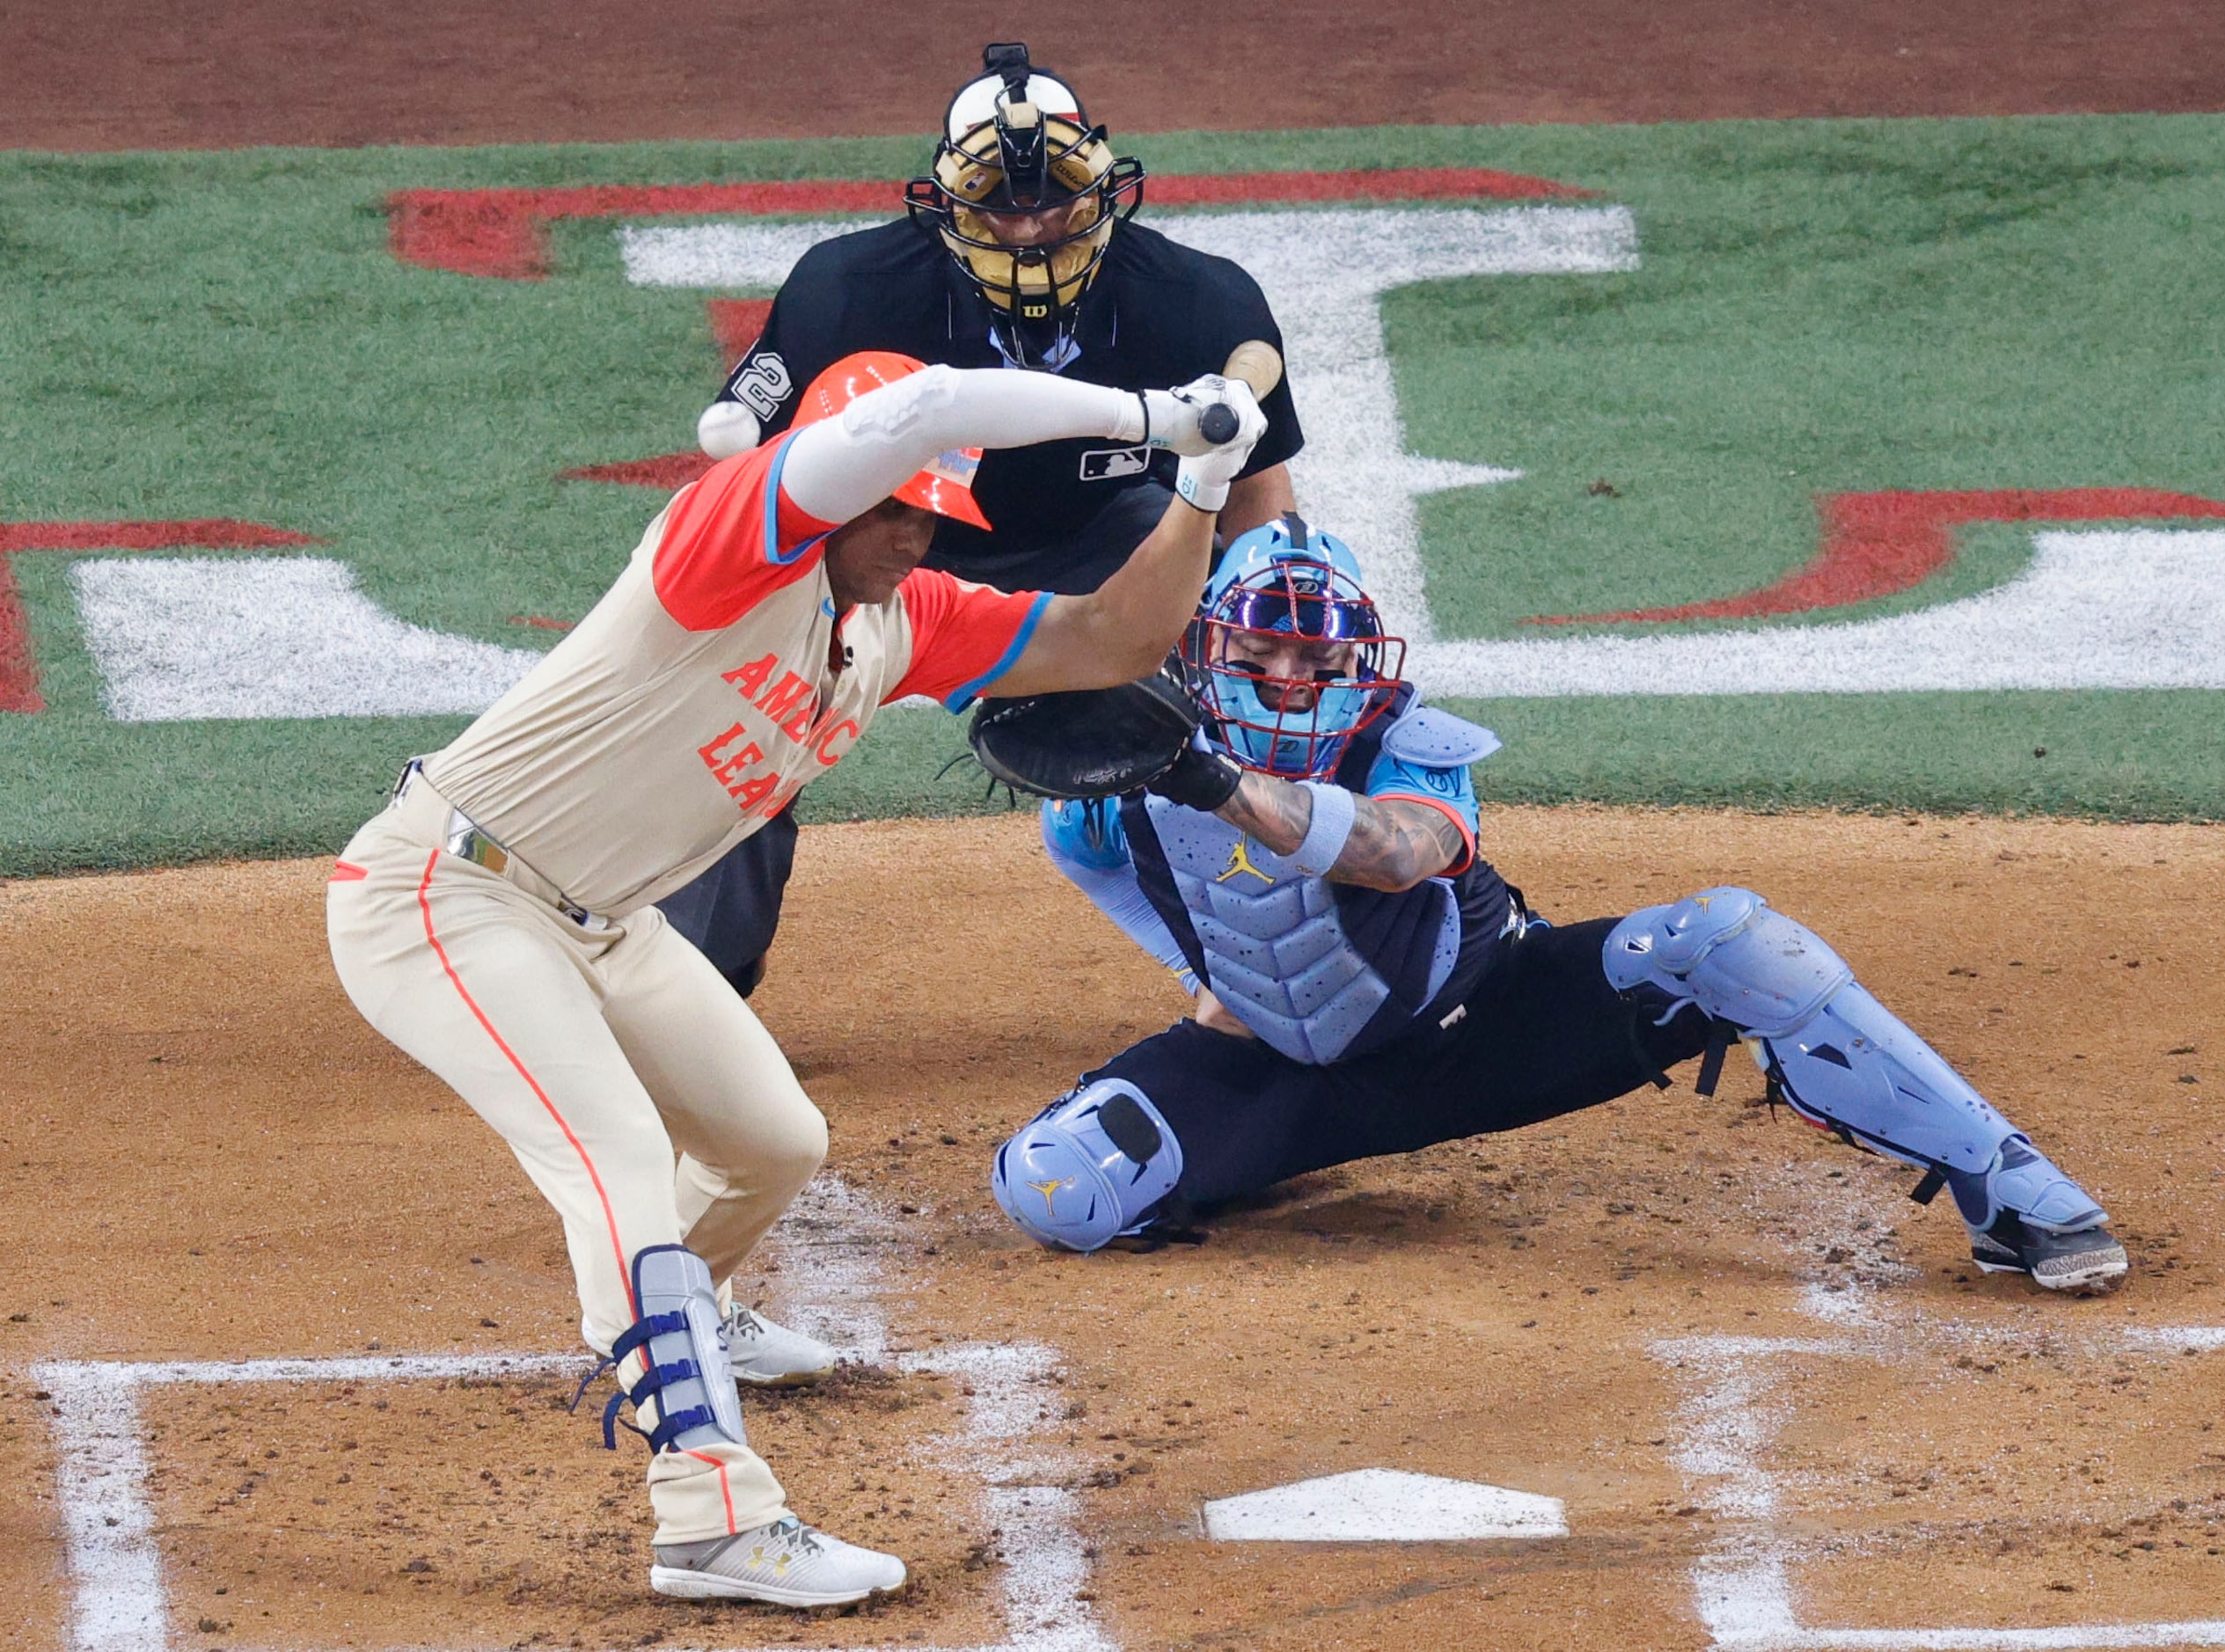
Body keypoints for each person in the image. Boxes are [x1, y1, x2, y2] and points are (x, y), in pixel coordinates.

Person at [326, 352, 1267, 1607]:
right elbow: (929, 405)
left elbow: (1113, 637)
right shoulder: (725, 545)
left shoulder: (903, 619)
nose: (911, 527)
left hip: (604, 919)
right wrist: (1148, 416)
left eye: (931, 510)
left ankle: (687, 1318)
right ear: (833, 483)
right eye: (889, 503)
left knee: (771, 1142)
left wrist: (1201, 482)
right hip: (450, 894)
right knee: (613, 1173)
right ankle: (709, 1515)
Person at [990, 514, 2129, 1297]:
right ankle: (1249, 1159)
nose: (1290, 676)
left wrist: (1222, 786)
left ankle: (2015, 1189)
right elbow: (1084, 847)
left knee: (1731, 942)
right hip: (1284, 1076)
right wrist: (1203, 976)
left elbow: (1394, 857)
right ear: (1207, 642)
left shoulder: (1410, 743)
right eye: (1262, 647)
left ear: (1359, 668)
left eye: (1316, 657)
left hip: (1484, 1029)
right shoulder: (1137, 768)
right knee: (1056, 1187)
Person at [662, 40, 1304, 1007]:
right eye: (1005, 202)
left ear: (1103, 191)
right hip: (884, 545)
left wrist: (1268, 635)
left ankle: (1270, 970)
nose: (1033, 225)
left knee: (1244, 689)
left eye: (1054, 199)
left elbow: (1256, 491)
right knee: (742, 722)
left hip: (1101, 546)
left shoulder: (1203, 302)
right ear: (950, 205)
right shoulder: (849, 294)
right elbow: (760, 473)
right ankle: (692, 1001)